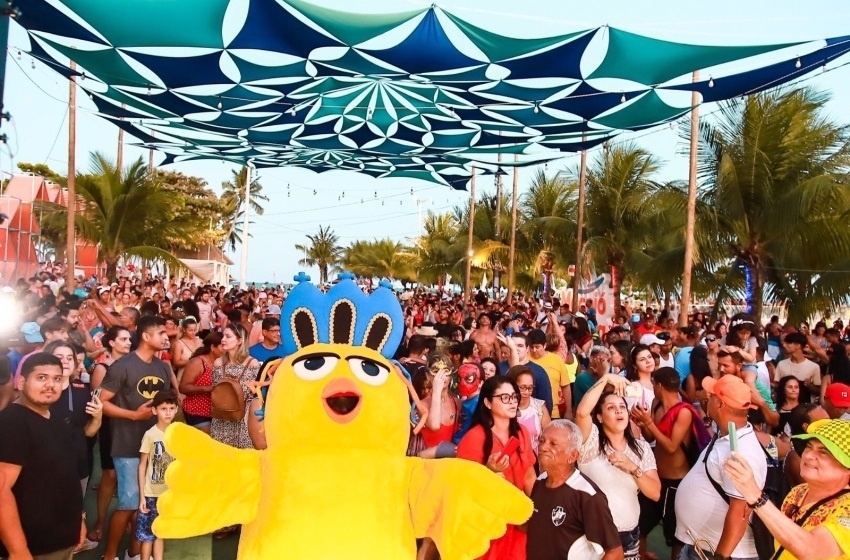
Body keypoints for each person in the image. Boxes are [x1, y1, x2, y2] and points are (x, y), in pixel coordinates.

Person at [99, 315, 174, 560]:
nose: (167, 336)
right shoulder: (121, 366)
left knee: (147, 504)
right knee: (129, 504)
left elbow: (170, 402)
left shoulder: (163, 366)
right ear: (145, 336)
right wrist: (133, 415)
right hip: (127, 445)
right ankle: (109, 555)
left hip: (156, 448)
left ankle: (134, 552)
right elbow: (101, 402)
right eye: (162, 332)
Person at [723, 418, 850, 560]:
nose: (808, 455)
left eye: (823, 452)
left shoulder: (847, 509)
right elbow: (784, 548)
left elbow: (812, 552)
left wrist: (755, 496)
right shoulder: (798, 492)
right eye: (808, 447)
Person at [0, 353, 85, 560]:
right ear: (21, 382)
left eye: (57, 378)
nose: (50, 384)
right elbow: (1, 490)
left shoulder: (54, 419)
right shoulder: (11, 423)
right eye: (41, 377)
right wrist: (18, 550)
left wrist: (78, 521)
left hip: (61, 540)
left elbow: (64, 478)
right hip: (33, 547)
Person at [674, 374, 768, 560]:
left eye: (712, 395)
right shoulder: (728, 435)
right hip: (702, 545)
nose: (707, 398)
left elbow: (740, 512)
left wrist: (721, 557)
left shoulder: (741, 451)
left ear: (720, 405)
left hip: (720, 552)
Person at [576, 373, 661, 559]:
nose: (618, 411)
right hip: (592, 535)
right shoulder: (590, 443)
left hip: (628, 534)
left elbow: (655, 493)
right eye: (611, 407)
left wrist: (633, 468)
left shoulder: (641, 448)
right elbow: (582, 412)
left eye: (622, 407)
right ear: (599, 416)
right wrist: (606, 378)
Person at [457, 375, 537, 560]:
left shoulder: (522, 432)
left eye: (514, 396)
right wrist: (489, 471)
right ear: (487, 402)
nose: (512, 402)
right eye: (504, 397)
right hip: (490, 522)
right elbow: (464, 488)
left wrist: (537, 508)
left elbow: (529, 476)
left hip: (519, 518)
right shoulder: (474, 438)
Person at [632, 367, 707, 560]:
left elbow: (672, 446)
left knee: (676, 537)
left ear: (659, 385)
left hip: (677, 484)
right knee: (639, 526)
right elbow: (652, 438)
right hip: (657, 479)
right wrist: (642, 423)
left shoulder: (683, 412)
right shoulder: (656, 405)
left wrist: (648, 423)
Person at [527, 420, 624, 560]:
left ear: (572, 456)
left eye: (553, 444)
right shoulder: (540, 481)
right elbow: (535, 527)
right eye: (542, 440)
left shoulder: (586, 495)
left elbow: (615, 552)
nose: (543, 447)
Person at [136, 390, 178, 560]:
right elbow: (142, 465)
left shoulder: (177, 433)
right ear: (154, 410)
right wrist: (142, 496)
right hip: (151, 493)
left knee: (161, 532)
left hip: (167, 494)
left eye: (171, 408)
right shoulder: (150, 434)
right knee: (147, 536)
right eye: (163, 408)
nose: (167, 412)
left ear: (176, 410)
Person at [211, 324, 259, 451]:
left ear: (239, 341)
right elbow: (217, 390)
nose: (223, 340)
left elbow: (255, 393)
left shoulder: (252, 363)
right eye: (223, 336)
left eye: (228, 336)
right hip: (222, 418)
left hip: (243, 419)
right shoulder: (218, 362)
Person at [499, 332, 553, 414]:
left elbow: (546, 402)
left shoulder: (538, 371)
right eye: (512, 345)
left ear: (527, 349)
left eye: (520, 346)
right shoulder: (498, 368)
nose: (515, 348)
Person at [418, 356, 460, 459]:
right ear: (428, 376)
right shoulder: (422, 404)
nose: (441, 376)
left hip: (452, 464)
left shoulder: (457, 403)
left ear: (450, 375)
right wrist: (436, 391)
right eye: (436, 371)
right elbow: (435, 425)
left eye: (445, 371)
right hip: (430, 464)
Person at [528, 328, 572, 419]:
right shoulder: (525, 359)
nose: (534, 350)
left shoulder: (556, 359)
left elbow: (565, 386)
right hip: (530, 413)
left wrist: (569, 410)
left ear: (544, 345)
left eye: (537, 347)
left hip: (553, 412)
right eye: (531, 347)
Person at [782, 404, 830, 487]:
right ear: (806, 427)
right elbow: (811, 490)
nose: (830, 425)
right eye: (824, 422)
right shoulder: (796, 458)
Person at [507, 365, 551, 455]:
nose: (527, 392)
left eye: (530, 388)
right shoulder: (502, 407)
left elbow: (549, 437)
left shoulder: (539, 407)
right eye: (522, 387)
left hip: (535, 461)